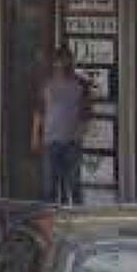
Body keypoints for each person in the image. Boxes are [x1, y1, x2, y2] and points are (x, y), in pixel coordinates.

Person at [37, 54, 89, 206]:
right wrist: (35, 136)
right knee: (49, 185)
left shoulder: (80, 85)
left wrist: (81, 132)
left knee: (74, 183)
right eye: (59, 63)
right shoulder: (47, 84)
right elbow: (39, 110)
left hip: (72, 140)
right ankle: (52, 214)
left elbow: (86, 111)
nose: (61, 67)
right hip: (51, 139)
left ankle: (77, 214)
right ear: (54, 64)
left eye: (65, 63)